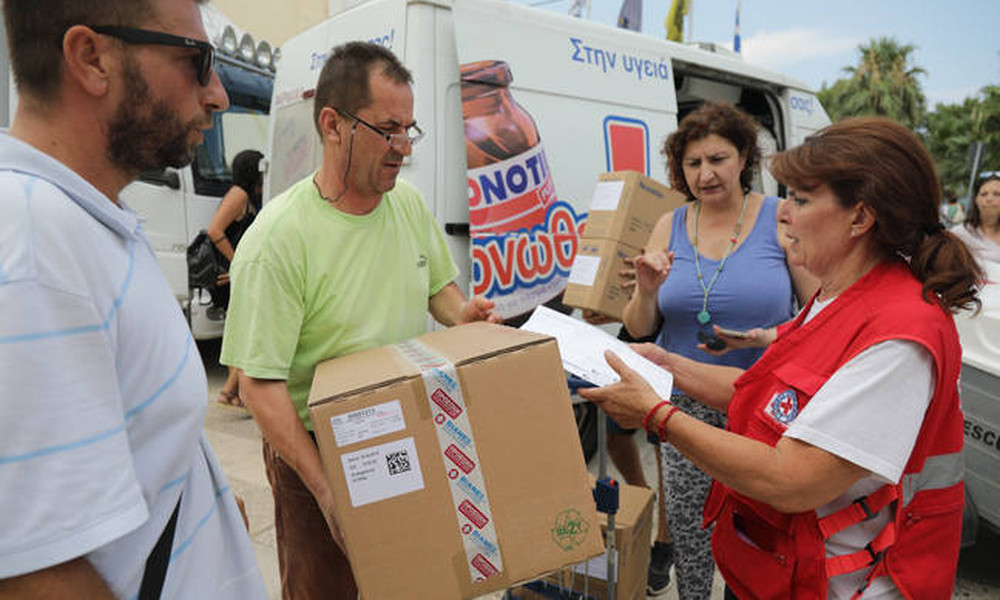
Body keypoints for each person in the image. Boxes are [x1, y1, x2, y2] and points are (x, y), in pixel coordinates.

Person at [581, 117, 981, 599]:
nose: (784, 214)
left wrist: (657, 416)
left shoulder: (900, 335)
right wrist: (667, 366)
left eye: (802, 200)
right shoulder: (839, 297)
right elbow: (764, 394)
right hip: (786, 570)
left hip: (848, 584)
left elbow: (793, 478)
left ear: (860, 218)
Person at [0, 1, 267, 598]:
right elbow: (35, 577)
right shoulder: (35, 249)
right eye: (199, 62)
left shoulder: (91, 218)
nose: (218, 94)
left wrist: (207, 507)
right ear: (91, 59)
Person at [220, 41, 501, 600]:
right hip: (314, 453)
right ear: (332, 124)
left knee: (407, 582)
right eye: (388, 129)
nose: (402, 148)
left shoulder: (409, 206)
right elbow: (258, 383)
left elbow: (437, 290)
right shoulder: (279, 238)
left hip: (404, 433)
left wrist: (462, 313)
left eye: (409, 130)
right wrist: (326, 492)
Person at [618, 101, 816, 599]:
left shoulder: (779, 219)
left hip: (764, 409)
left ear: (744, 155)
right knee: (690, 538)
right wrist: (645, 289)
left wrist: (767, 338)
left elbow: (819, 316)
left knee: (759, 539)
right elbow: (641, 328)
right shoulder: (670, 224)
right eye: (693, 163)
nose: (705, 174)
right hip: (682, 405)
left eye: (718, 159)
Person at [207, 148, 264, 408]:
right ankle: (233, 391)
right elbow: (215, 229)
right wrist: (236, 263)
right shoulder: (239, 194)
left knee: (239, 330)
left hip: (234, 274)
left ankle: (231, 391)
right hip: (228, 275)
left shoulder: (247, 196)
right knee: (243, 331)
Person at [951, 175, 1000, 266]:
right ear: (976, 200)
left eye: (997, 194)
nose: (989, 199)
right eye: (983, 194)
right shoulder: (960, 234)